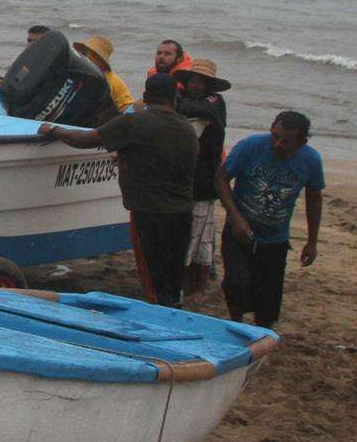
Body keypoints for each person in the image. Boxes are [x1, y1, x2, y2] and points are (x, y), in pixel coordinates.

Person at [40, 73, 198, 305]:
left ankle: (159, 313)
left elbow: (85, 139)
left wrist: (54, 131)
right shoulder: (186, 128)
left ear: (145, 96)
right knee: (172, 274)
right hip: (182, 212)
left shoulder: (133, 123)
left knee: (152, 275)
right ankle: (174, 306)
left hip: (149, 212)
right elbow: (165, 157)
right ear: (174, 98)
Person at [216, 111, 323, 329]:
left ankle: (263, 334)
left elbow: (314, 199)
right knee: (236, 284)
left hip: (275, 239)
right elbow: (221, 179)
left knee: (268, 302)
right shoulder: (250, 146)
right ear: (272, 127)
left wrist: (312, 241)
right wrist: (236, 218)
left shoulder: (310, 160)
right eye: (275, 136)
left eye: (286, 141)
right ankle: (236, 325)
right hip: (239, 233)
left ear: (302, 142)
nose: (277, 144)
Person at [176, 59, 231, 295]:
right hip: (188, 178)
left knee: (196, 235)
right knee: (200, 235)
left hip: (205, 177)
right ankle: (194, 285)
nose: (195, 85)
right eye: (192, 80)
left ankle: (190, 285)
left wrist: (177, 105)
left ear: (209, 85)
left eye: (201, 81)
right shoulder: (182, 99)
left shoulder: (214, 102)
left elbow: (200, 110)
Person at [73, 34, 135, 112]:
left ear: (101, 61)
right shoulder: (77, 72)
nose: (88, 57)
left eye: (93, 56)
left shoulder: (114, 81)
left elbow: (127, 106)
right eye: (86, 54)